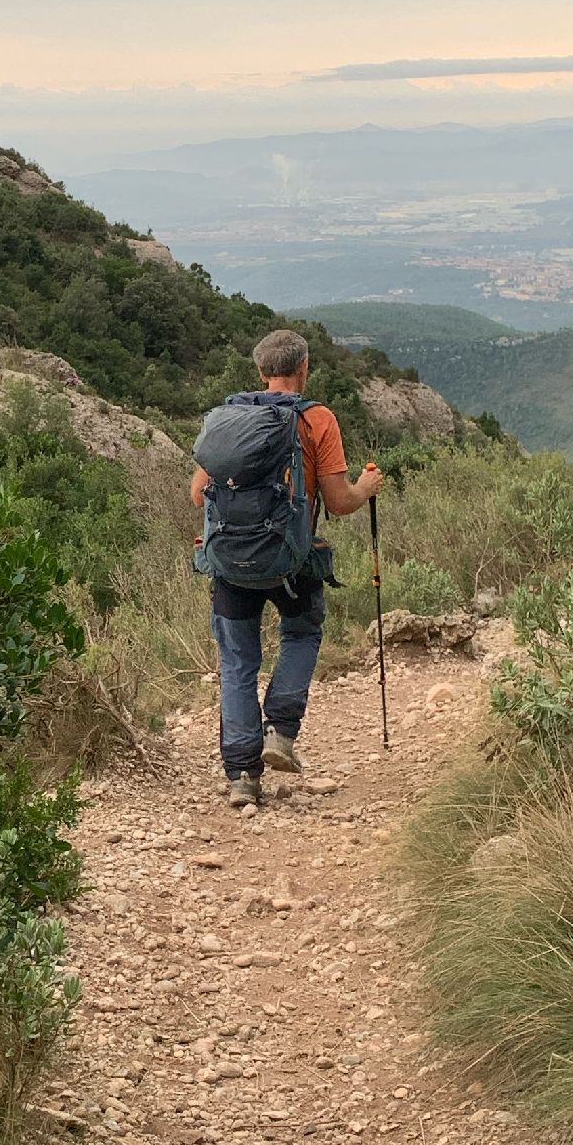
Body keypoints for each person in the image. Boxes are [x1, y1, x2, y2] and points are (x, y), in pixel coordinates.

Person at [190, 327, 381, 808]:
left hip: (230, 562)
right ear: (304, 368)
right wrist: (365, 488)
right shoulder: (317, 420)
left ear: (261, 372)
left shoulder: (225, 421)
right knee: (301, 634)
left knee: (237, 663)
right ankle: (280, 730)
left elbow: (197, 494)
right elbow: (338, 502)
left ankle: (242, 777)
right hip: (292, 561)